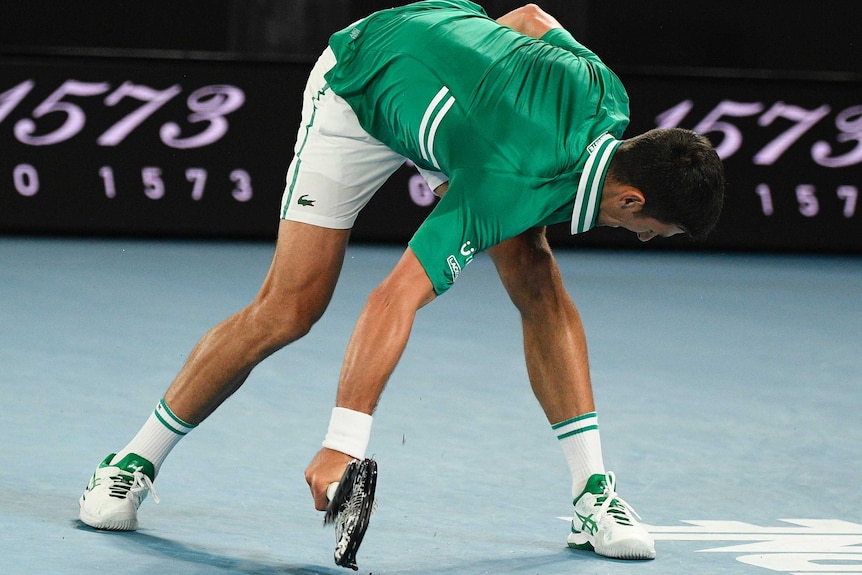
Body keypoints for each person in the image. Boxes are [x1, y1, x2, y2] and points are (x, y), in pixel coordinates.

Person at [78, 0, 725, 562]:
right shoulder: (507, 179)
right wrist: (342, 445)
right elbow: (393, 296)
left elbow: (528, 20)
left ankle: (592, 495)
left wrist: (460, 127)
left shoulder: (604, 93)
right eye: (657, 232)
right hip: (361, 83)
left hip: (442, 66)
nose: (648, 242)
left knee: (534, 272)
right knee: (290, 307)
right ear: (635, 201)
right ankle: (130, 462)